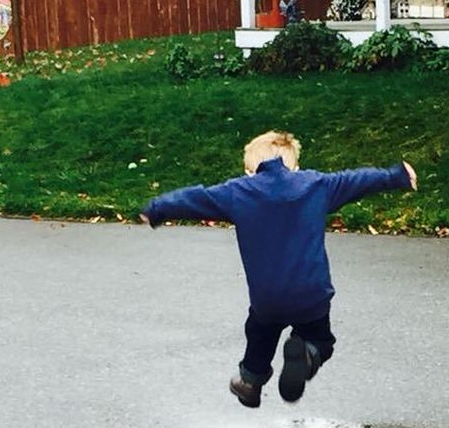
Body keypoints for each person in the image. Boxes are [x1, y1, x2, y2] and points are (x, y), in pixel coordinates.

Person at [141, 131, 417, 407]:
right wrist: (397, 175)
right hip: (312, 293)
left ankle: (250, 382)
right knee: (321, 340)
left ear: (250, 171)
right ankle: (308, 354)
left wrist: (157, 208)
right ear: (294, 166)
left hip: (268, 299)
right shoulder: (317, 185)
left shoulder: (238, 192)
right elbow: (358, 180)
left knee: (259, 333)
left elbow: (195, 199)